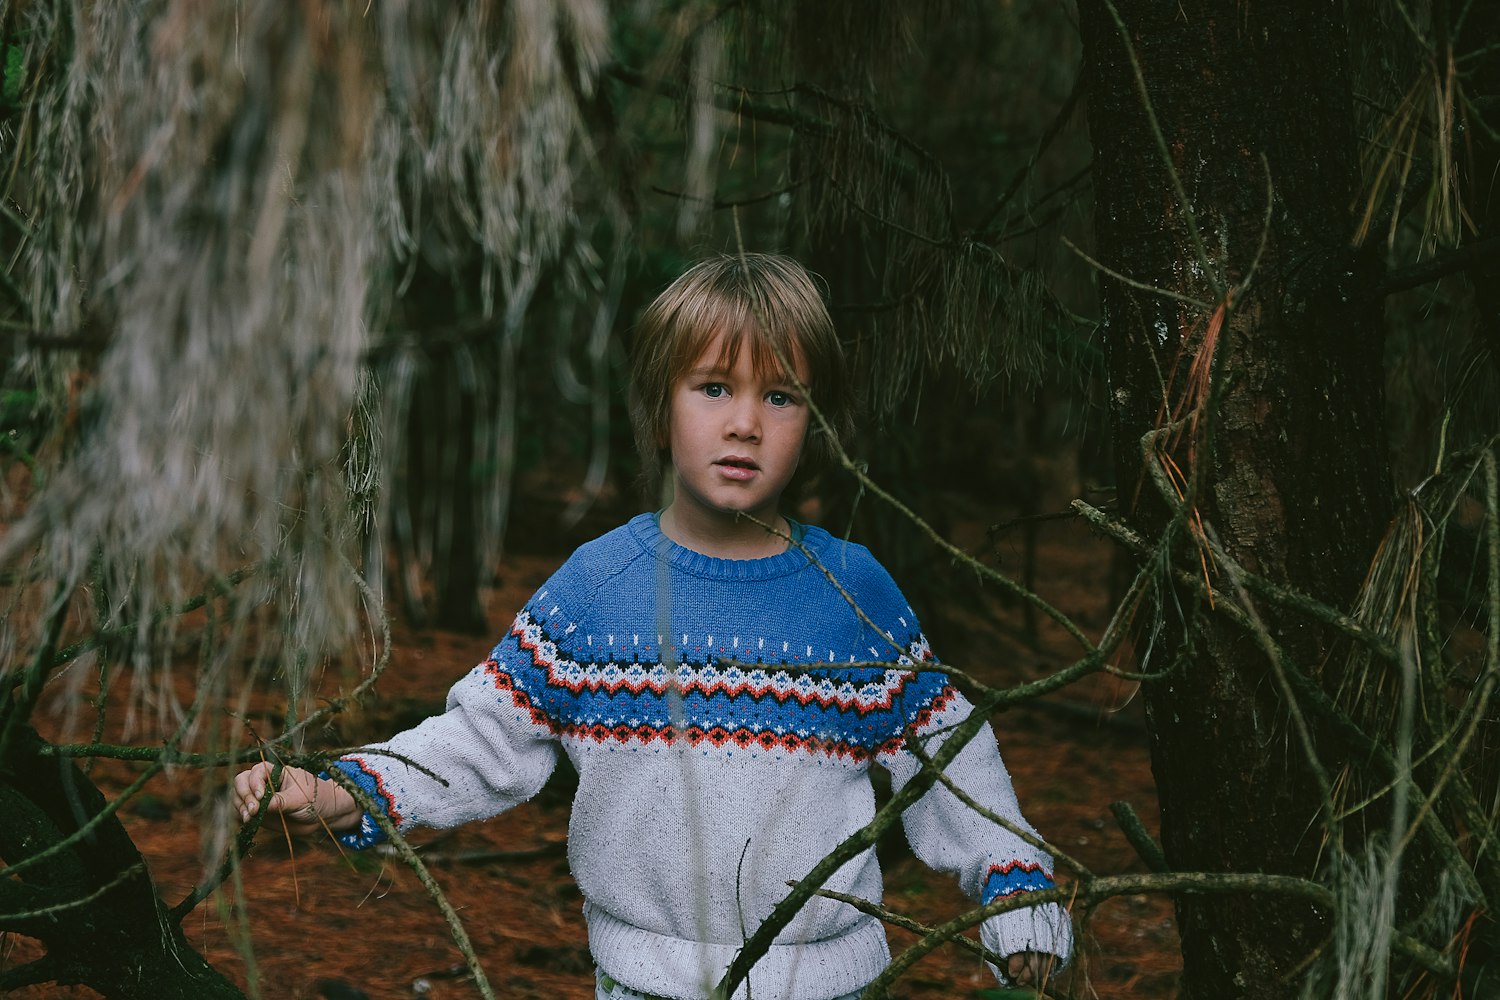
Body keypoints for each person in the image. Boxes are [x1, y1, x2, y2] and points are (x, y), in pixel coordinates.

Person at [234, 252, 1073, 1000]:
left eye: (780, 396)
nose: (744, 421)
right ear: (660, 403)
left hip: (831, 981)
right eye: (714, 387)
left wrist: (1020, 898)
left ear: (814, 423)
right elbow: (482, 739)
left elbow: (951, 757)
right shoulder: (599, 586)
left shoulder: (852, 593)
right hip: (647, 981)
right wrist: (349, 791)